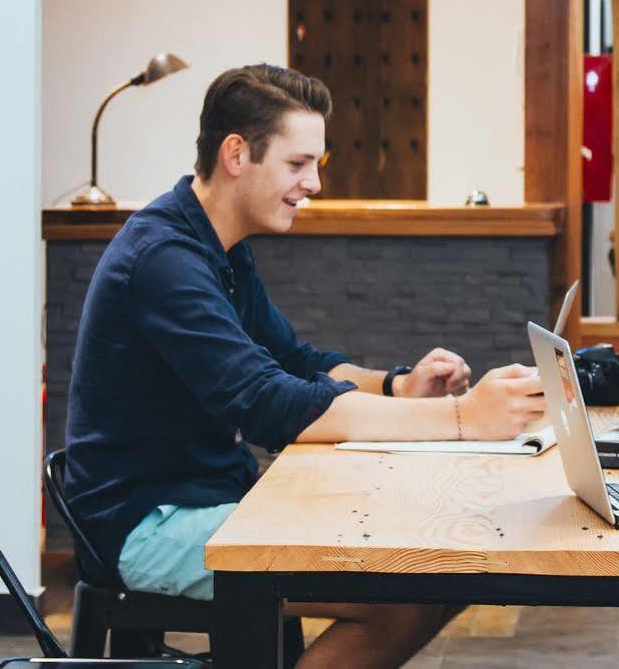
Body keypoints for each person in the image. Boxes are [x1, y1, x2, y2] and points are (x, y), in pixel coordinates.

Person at [60, 63, 546, 669]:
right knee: (408, 588)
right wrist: (460, 418)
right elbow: (268, 404)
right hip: (146, 527)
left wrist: (401, 387)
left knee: (427, 574)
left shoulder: (220, 247)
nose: (314, 183)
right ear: (236, 153)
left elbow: (294, 362)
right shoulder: (164, 259)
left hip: (209, 499)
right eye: (297, 164)